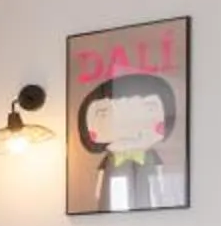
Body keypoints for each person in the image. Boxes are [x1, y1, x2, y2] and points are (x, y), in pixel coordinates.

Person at [75, 72, 178, 211]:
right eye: (104, 114)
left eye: (148, 109)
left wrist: (161, 193)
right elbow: (100, 186)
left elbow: (159, 179)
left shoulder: (151, 158)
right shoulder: (110, 161)